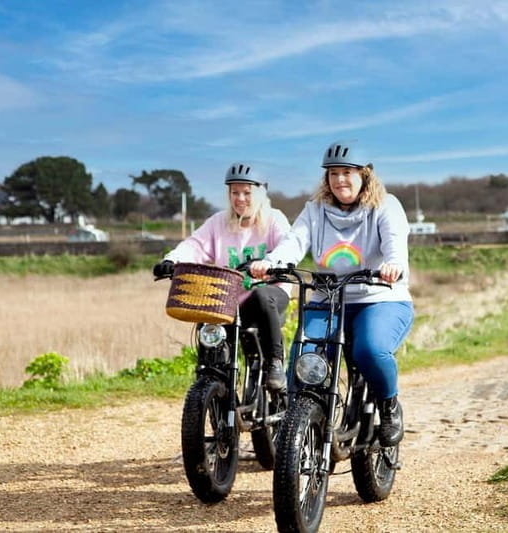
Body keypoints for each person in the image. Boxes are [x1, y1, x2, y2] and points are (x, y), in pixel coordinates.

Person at [250, 141, 414, 446]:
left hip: (380, 297)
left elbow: (394, 244)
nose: (339, 180)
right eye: (333, 173)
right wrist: (272, 263)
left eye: (347, 173)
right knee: (304, 360)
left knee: (370, 350)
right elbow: (294, 242)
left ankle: (389, 406)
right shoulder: (315, 210)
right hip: (328, 299)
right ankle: (307, 422)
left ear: (365, 175)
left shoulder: (385, 205)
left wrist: (393, 266)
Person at [153, 162, 291, 391]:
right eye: (234, 192)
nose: (240, 198)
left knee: (262, 295)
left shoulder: (274, 219)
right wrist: (172, 260)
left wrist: (269, 263)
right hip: (229, 302)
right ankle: (211, 380)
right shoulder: (219, 222)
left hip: (269, 299)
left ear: (261, 192)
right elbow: (194, 245)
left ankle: (275, 362)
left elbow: (287, 247)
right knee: (208, 319)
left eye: (247, 192)